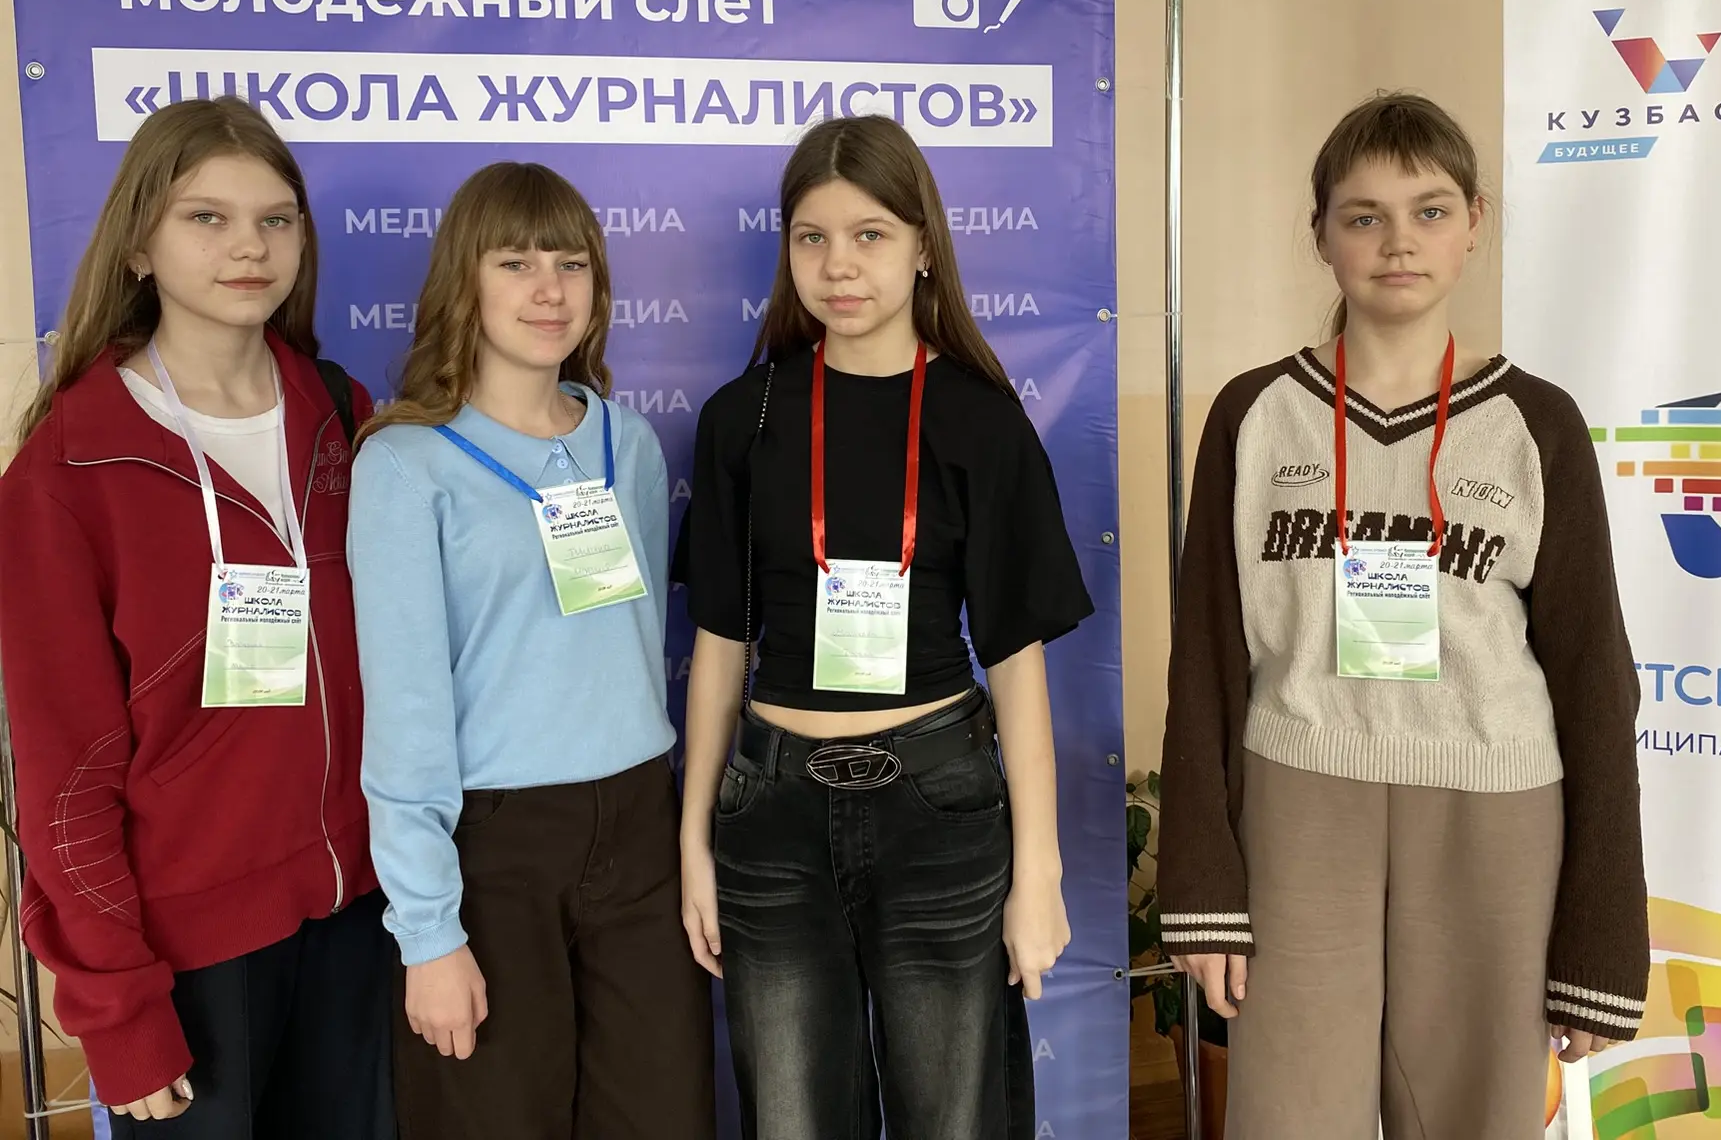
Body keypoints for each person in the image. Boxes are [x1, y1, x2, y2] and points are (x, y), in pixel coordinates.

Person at [1156, 92, 1649, 1139]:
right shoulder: (1253, 414)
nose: (1398, 242)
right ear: (1321, 235)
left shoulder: (1536, 423)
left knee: (1476, 1114)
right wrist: (1202, 886)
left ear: (1474, 223)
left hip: (1495, 809)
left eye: (1429, 211)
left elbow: (1596, 679)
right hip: (1299, 798)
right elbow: (1203, 660)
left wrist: (1602, 939)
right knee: (1289, 1115)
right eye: (1364, 216)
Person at [675, 114, 1093, 1139]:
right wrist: (694, 840)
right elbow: (720, 646)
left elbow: (1017, 661)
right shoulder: (745, 417)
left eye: (869, 235)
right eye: (811, 238)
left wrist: (1037, 871)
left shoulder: (979, 420)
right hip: (771, 817)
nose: (839, 265)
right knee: (792, 1120)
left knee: (954, 1119)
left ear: (922, 247)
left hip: (938, 811)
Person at [0, 98, 392, 1137]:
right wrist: (116, 1005)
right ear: (139, 244)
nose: (249, 247)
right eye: (206, 218)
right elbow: (64, 772)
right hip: (191, 949)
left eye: (275, 220)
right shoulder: (66, 470)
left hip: (363, 915)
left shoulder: (343, 413)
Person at [347, 161, 713, 1140]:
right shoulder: (404, 464)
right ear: (463, 280)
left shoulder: (628, 444)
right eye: (515, 262)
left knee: (662, 1114)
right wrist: (429, 932)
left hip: (638, 824)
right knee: (496, 1116)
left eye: (571, 263)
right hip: (495, 845)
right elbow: (406, 712)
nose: (549, 289)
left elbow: (631, 640)